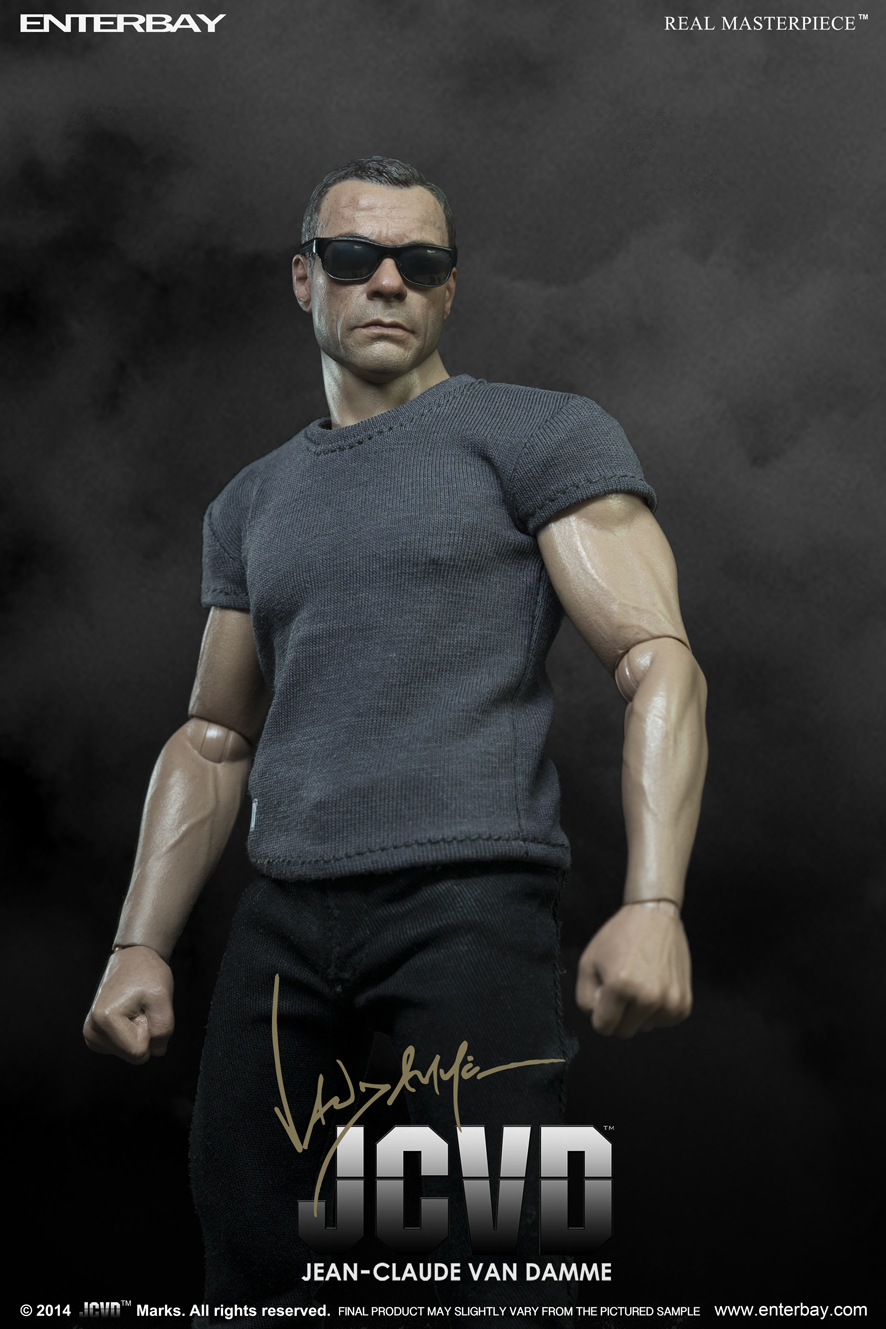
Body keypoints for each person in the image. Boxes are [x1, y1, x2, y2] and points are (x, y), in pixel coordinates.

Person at [84, 157, 707, 1323]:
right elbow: (214, 736)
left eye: (418, 263)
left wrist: (654, 901)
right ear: (303, 277)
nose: (386, 283)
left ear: (448, 288)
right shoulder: (252, 501)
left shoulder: (536, 433)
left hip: (469, 902)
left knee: (503, 1252)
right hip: (284, 913)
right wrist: (139, 944)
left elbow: (655, 659)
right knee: (247, 1253)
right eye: (352, 257)